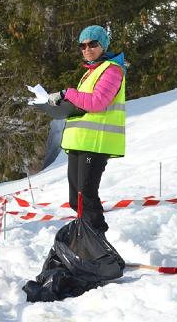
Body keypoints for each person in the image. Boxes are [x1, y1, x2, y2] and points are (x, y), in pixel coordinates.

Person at [46, 25, 125, 233]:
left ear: (103, 45)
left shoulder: (112, 70)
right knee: (76, 200)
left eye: (92, 44)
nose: (87, 49)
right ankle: (86, 239)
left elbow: (97, 102)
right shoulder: (91, 72)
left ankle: (97, 240)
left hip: (97, 143)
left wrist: (67, 93)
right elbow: (83, 104)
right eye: (82, 46)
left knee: (87, 196)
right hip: (80, 142)